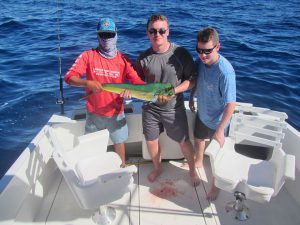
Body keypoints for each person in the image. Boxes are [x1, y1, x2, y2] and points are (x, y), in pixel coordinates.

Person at [64, 17, 145, 167]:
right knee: (92, 148)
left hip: (116, 113)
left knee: (119, 142)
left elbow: (138, 84)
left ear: (116, 34)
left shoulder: (124, 60)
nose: (106, 38)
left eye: (109, 34)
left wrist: (132, 92)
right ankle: (94, 169)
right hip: (93, 114)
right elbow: (69, 77)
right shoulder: (88, 56)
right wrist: (86, 83)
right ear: (97, 36)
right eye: (103, 35)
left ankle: (122, 166)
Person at [135, 14, 200, 186]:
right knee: (151, 140)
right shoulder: (143, 58)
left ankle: (193, 170)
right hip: (150, 108)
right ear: (147, 33)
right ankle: (158, 168)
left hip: (173, 108)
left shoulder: (180, 54)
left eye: (162, 30)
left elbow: (192, 80)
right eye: (153, 31)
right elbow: (137, 83)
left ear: (168, 32)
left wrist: (174, 91)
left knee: (184, 141)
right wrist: (128, 92)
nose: (158, 34)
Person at [189, 27, 236, 200]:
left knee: (218, 157)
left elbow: (231, 104)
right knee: (199, 139)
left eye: (207, 51)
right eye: (199, 50)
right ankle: (199, 161)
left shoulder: (225, 71)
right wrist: (192, 97)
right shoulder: (199, 62)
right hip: (203, 113)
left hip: (219, 121)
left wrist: (220, 129)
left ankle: (216, 186)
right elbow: (196, 81)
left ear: (218, 47)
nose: (203, 55)